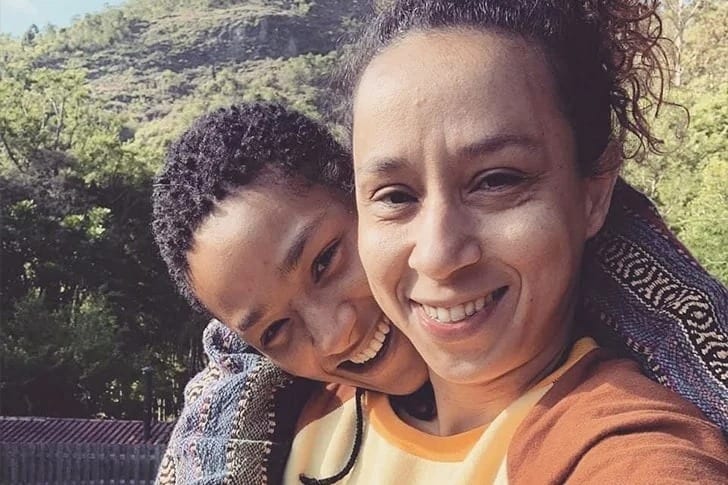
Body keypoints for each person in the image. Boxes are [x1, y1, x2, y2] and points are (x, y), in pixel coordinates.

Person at [281, 0, 728, 482]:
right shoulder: (305, 413)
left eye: (496, 181)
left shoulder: (623, 445)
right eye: (395, 196)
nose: (437, 255)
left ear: (593, 194)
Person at [151, 102, 429, 484]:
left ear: (365, 191)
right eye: (275, 330)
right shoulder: (287, 434)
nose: (334, 335)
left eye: (324, 263)